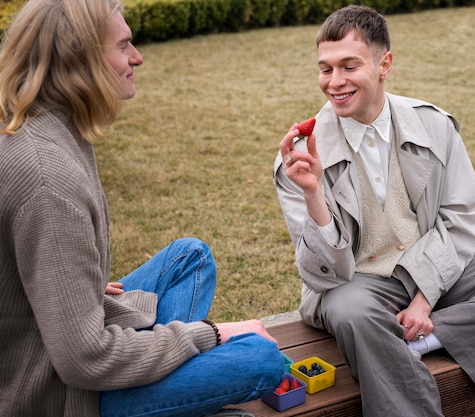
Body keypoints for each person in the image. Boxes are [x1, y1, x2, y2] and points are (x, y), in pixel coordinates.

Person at [273, 5, 475, 416]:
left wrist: (423, 299)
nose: (335, 82)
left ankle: (428, 340)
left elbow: (462, 216)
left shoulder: (433, 125)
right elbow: (320, 274)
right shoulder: (298, 160)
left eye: (350, 66)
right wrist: (313, 196)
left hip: (435, 267)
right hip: (358, 283)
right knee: (349, 313)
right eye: (325, 69)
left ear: (385, 65)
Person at [0, 1, 283, 416]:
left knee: (190, 256)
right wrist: (210, 334)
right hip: (57, 394)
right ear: (82, 61)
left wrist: (72, 290)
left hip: (58, 337)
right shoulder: (48, 179)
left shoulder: (44, 128)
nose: (137, 57)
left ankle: (168, 387)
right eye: (123, 46)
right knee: (261, 360)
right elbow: (85, 360)